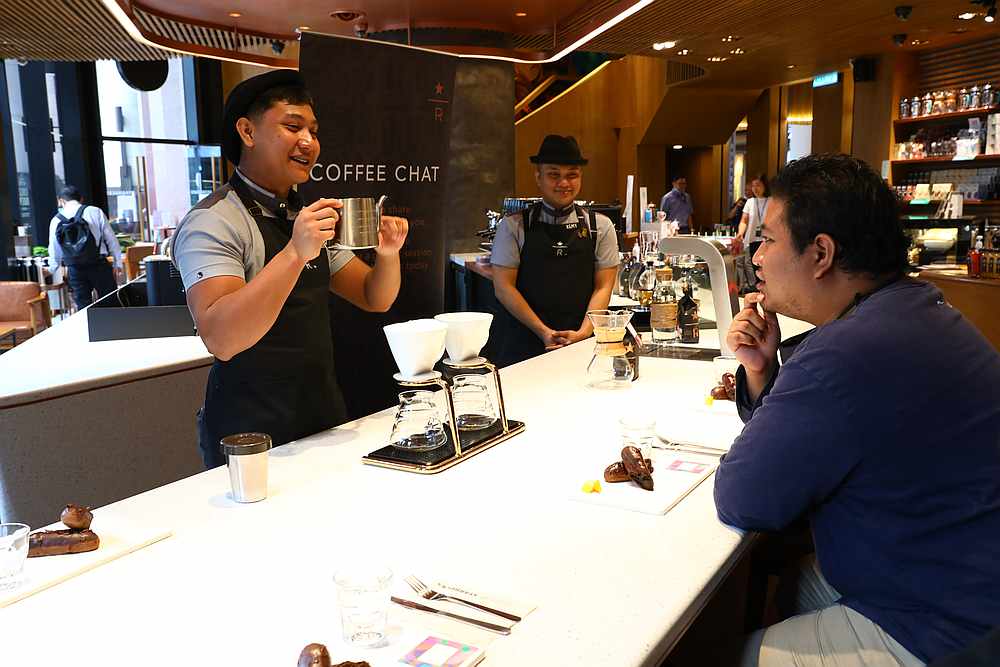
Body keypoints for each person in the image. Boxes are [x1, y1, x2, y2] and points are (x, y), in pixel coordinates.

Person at [715, 154, 1000, 666]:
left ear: (821, 253)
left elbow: (745, 496)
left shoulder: (845, 353)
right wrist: (762, 370)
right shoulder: (917, 307)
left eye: (768, 240)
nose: (756, 257)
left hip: (942, 624)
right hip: (953, 571)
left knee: (717, 653)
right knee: (788, 581)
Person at [170, 70, 408, 469]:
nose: (308, 142)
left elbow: (373, 297)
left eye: (313, 131)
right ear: (247, 131)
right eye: (293, 126)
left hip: (321, 415)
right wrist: (295, 252)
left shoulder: (302, 214)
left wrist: (388, 254)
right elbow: (221, 338)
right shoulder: (213, 220)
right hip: (248, 432)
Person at [490, 135, 618, 366]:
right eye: (553, 174)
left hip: (580, 343)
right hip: (522, 344)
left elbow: (604, 286)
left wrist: (585, 332)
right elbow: (503, 287)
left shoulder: (600, 226)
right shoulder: (513, 226)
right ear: (538, 177)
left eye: (572, 175)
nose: (564, 183)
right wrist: (543, 331)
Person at [47, 185, 122, 309]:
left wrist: (51, 269)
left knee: (83, 307)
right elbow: (111, 239)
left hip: (75, 268)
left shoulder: (56, 220)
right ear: (81, 199)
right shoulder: (95, 211)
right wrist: (117, 263)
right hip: (99, 264)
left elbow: (55, 249)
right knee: (110, 303)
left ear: (61, 201)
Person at [732, 174, 770, 293]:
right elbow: (744, 221)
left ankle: (766, 293)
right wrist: (740, 234)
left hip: (766, 241)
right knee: (752, 268)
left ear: (765, 186)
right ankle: (756, 292)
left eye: (758, 185)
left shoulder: (771, 201)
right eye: (753, 186)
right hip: (752, 240)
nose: (755, 188)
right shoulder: (750, 202)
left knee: (765, 269)